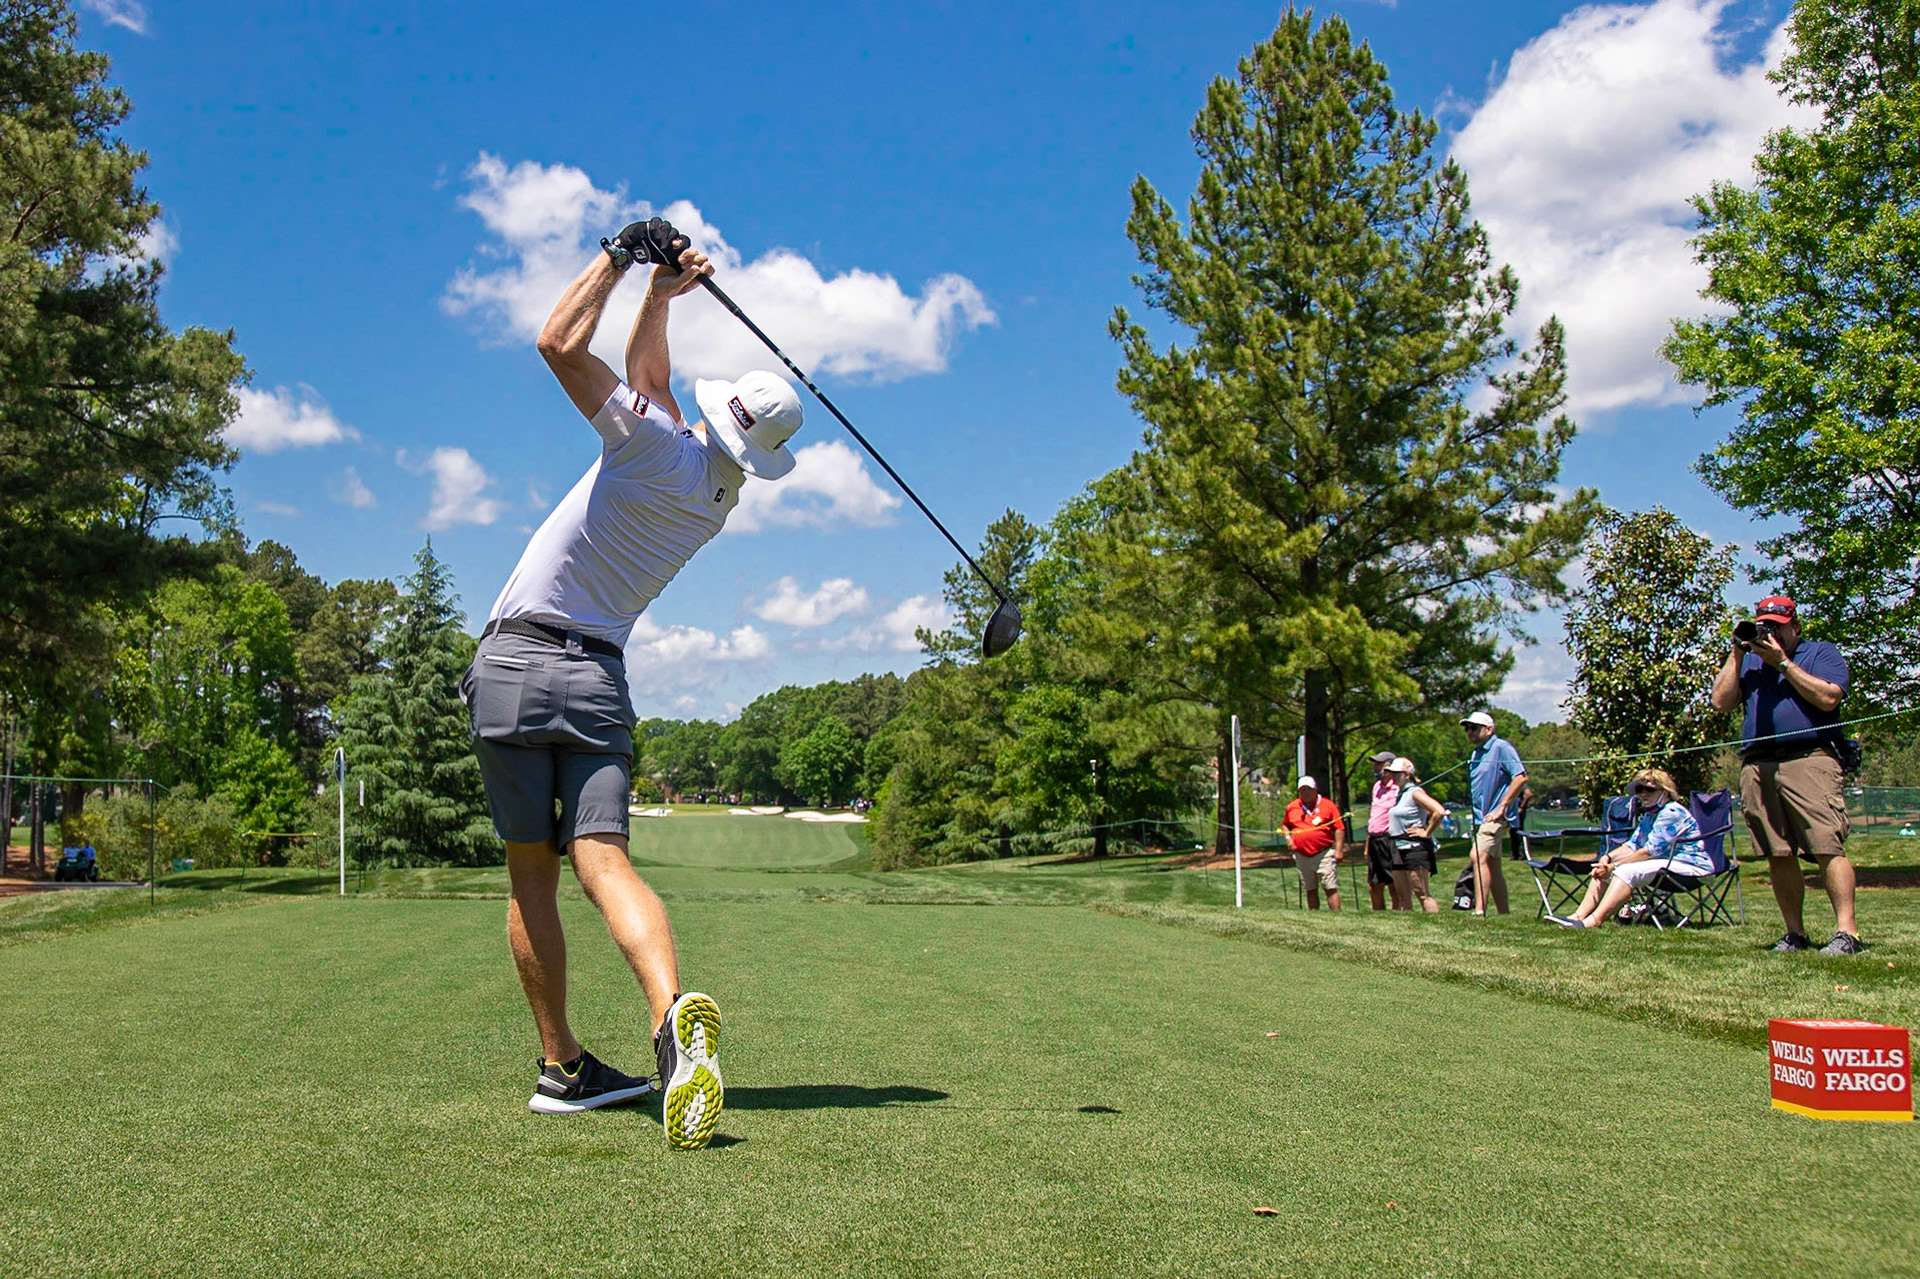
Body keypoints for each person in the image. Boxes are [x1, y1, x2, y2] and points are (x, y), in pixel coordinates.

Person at [465, 219, 804, 1147]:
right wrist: (662, 295)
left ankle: (562, 1066)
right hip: (596, 681)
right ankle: (669, 1022)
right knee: (604, 861)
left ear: (716, 415)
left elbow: (557, 344)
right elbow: (650, 382)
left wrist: (619, 255)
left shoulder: (654, 445)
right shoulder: (714, 494)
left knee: (531, 874)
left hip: (513, 664)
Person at [1708, 594, 1862, 955]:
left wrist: (1782, 663)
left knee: (1827, 846)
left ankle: (1847, 934)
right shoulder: (1750, 661)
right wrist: (1737, 652)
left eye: (1777, 628)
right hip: (1758, 764)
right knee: (1778, 852)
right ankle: (1795, 934)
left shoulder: (1820, 653)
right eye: (1765, 627)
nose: (1771, 634)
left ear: (1796, 625)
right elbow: (1720, 702)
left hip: (1809, 759)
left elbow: (1828, 698)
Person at [1552, 769, 1707, 928]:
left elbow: (1649, 852)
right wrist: (1607, 858)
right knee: (1602, 869)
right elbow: (1632, 845)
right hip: (1667, 865)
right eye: (1640, 789)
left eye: (1650, 789)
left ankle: (1593, 921)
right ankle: (1577, 917)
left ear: (1665, 792)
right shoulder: (1650, 815)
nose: (1643, 794)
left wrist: (1613, 867)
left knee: (1625, 871)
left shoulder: (1671, 812)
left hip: (1691, 867)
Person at [1461, 710, 1527, 916]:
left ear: (1489, 730)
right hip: (1481, 818)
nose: (1469, 732)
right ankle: (1504, 915)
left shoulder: (1501, 748)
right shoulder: (1476, 754)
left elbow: (1520, 777)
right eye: (1467, 728)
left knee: (1477, 856)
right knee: (1493, 864)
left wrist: (1502, 807)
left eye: (1474, 728)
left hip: (1496, 816)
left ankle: (1480, 910)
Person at [1383, 757, 1445, 913]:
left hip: (1414, 848)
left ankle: (1436, 923)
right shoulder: (1401, 794)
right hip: (1397, 848)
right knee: (1402, 896)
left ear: (1407, 775)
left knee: (1422, 893)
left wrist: (1426, 832)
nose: (1393, 776)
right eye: (1392, 773)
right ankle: (1408, 926)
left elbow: (1439, 811)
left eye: (1397, 773)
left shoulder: (1415, 792)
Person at [1282, 776, 1346, 911]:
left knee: (1330, 887)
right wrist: (1288, 839)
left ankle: (1337, 915)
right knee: (1310, 889)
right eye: (1302, 790)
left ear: (1315, 790)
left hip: (1323, 853)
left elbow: (1339, 827)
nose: (1305, 793)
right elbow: (1285, 825)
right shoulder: (1292, 807)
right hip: (1302, 855)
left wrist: (1339, 850)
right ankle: (1314, 916)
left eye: (1308, 789)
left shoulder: (1328, 805)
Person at [1364, 749, 1399, 910]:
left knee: (1393, 882)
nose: (1375, 768)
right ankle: (1378, 915)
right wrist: (1367, 844)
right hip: (1374, 839)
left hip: (1389, 839)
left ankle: (1398, 913)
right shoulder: (1377, 787)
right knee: (1374, 884)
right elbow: (1374, 816)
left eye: (1379, 765)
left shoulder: (1398, 788)